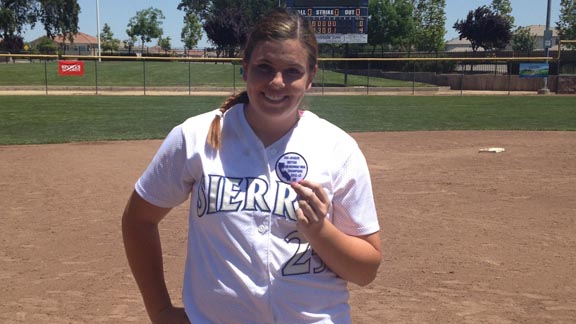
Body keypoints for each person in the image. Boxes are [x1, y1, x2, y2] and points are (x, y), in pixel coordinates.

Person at [122, 8, 382, 324]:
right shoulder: (195, 136)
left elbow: (366, 269)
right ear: (244, 68)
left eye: (292, 71)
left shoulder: (338, 149)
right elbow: (138, 220)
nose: (276, 82)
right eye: (264, 67)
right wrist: (160, 310)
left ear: (311, 77)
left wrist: (320, 232)